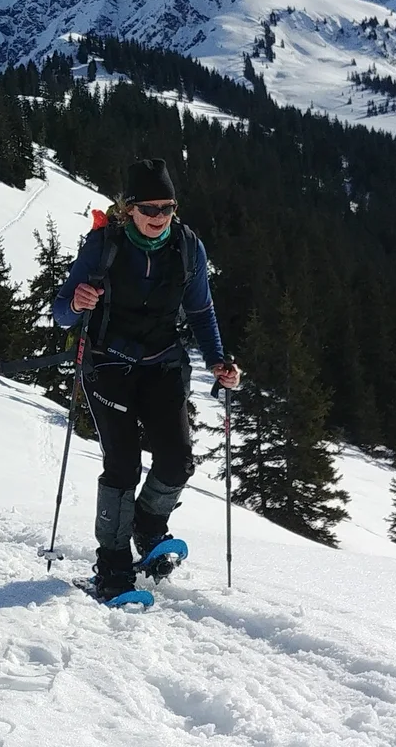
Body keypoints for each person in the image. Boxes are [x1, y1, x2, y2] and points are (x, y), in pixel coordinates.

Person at [52, 158, 241, 603]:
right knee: (123, 464)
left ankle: (148, 525)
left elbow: (201, 310)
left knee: (177, 461)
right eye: (149, 208)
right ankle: (112, 568)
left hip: (162, 363)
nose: (159, 217)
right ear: (129, 208)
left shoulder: (188, 248)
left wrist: (219, 360)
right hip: (108, 363)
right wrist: (78, 303)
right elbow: (61, 312)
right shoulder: (103, 246)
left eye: (167, 208)